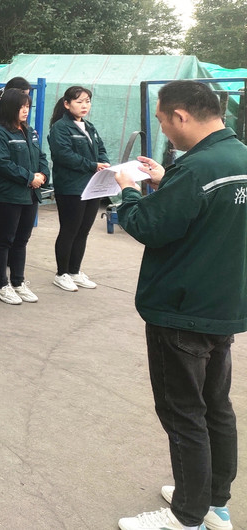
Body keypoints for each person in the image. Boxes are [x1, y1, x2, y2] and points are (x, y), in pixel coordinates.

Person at [114, 81, 244, 530]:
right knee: (215, 406)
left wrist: (129, 191)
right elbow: (210, 210)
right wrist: (165, 181)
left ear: (181, 116)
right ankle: (214, 503)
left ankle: (186, 517)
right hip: (222, 304)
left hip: (181, 307)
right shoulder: (238, 158)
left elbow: (149, 226)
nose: (164, 129)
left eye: (163, 120)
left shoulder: (196, 168)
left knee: (183, 412)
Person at [0, 88, 49, 306]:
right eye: (21, 107)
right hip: (8, 195)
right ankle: (1, 285)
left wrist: (43, 174)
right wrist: (29, 177)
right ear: (9, 107)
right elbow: (1, 164)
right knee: (4, 240)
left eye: (28, 106)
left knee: (21, 240)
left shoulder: (29, 131)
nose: (25, 111)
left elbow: (41, 156)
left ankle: (18, 282)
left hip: (30, 195)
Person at [47, 85, 109, 292]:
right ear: (67, 104)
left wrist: (104, 163)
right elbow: (63, 155)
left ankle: (75, 271)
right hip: (71, 187)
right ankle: (61, 274)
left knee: (83, 230)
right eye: (79, 101)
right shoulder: (60, 128)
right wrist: (92, 165)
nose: (84, 106)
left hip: (92, 185)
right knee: (69, 230)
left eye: (87, 101)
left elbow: (101, 149)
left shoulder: (89, 126)